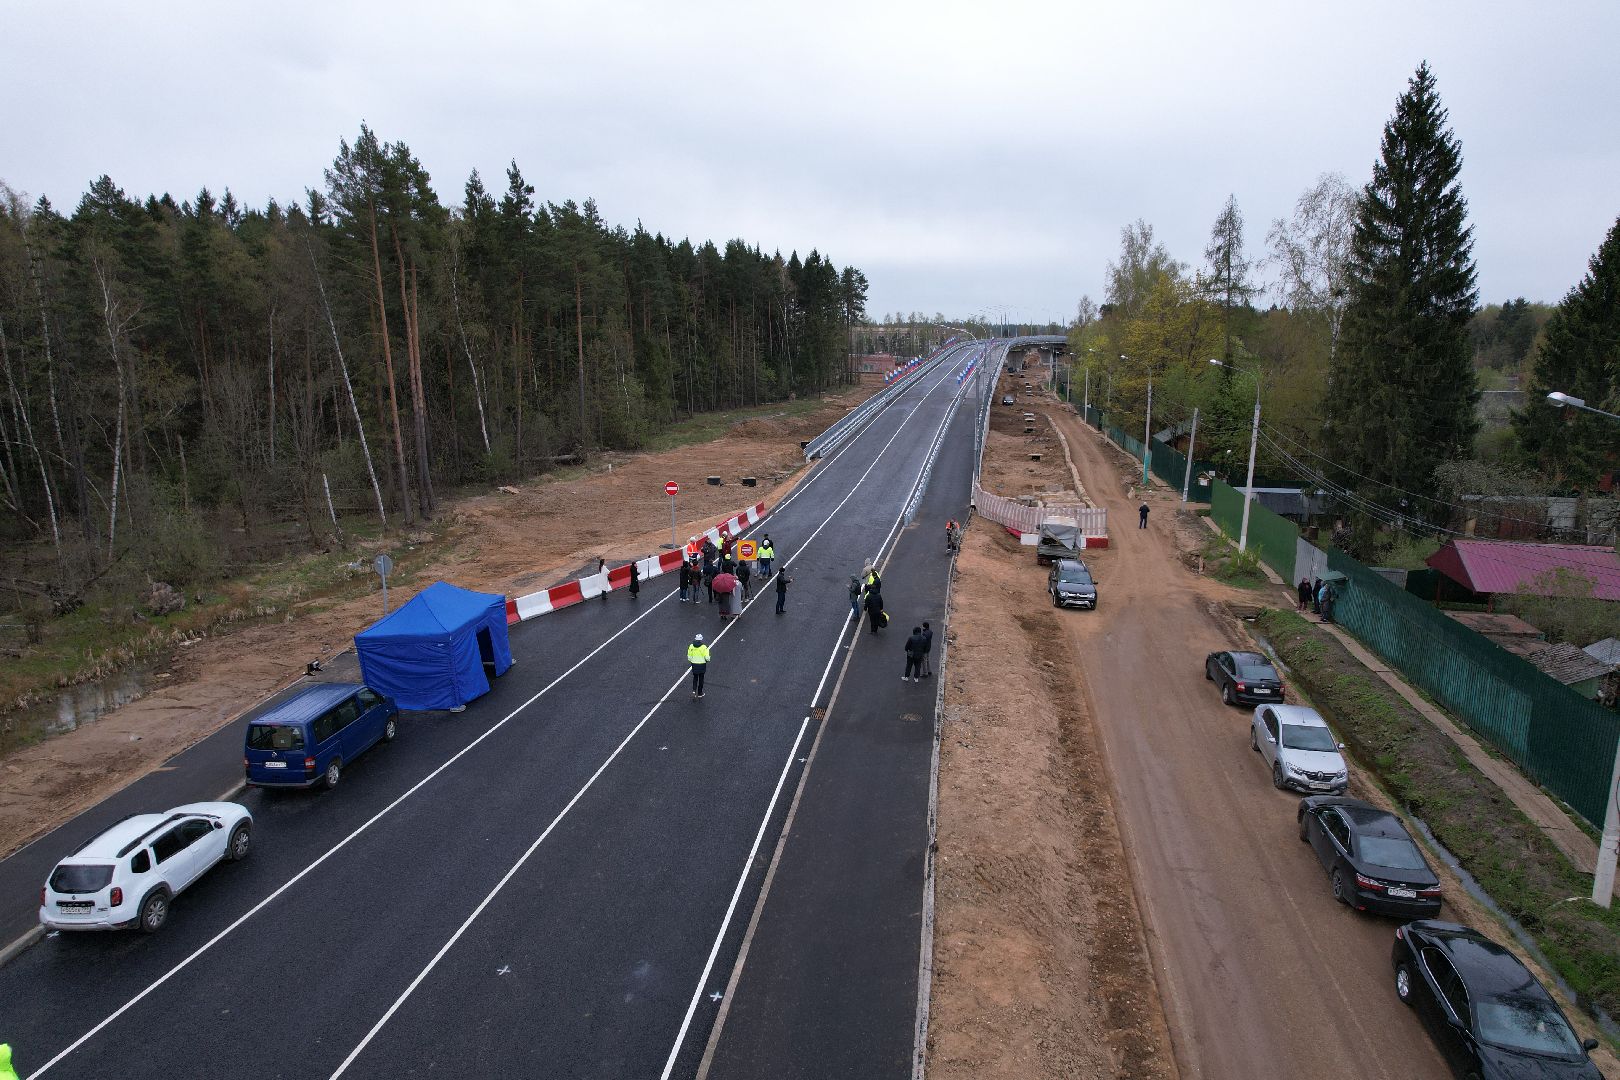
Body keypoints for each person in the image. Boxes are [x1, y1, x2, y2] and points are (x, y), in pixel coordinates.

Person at [687, 633, 710, 699]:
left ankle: (694, 691)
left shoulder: (691, 646)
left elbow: (689, 657)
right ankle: (700, 693)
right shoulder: (704, 647)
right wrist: (706, 661)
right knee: (701, 679)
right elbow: (707, 658)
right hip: (702, 665)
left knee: (695, 678)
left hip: (694, 665)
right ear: (701, 639)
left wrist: (693, 661)